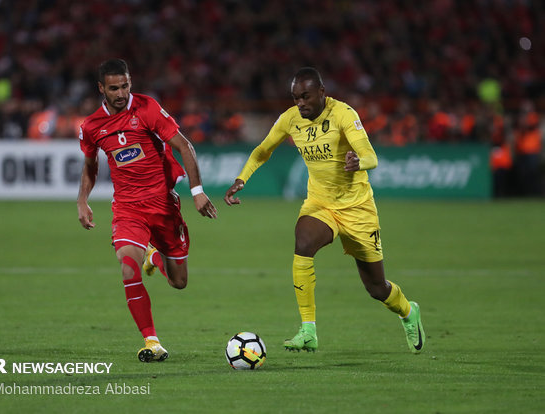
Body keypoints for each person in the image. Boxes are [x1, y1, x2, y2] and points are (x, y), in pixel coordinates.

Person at [224, 67, 425, 354]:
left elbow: (371, 155)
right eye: (296, 98)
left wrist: (360, 163)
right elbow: (262, 150)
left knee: (376, 288)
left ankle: (408, 311)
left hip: (357, 208)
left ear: (322, 92)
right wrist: (242, 178)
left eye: (306, 96)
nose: (300, 103)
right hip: (321, 204)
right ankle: (308, 331)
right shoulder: (290, 120)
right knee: (303, 242)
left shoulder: (344, 114)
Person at [77, 59, 217, 363]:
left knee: (179, 282)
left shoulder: (147, 108)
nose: (121, 93)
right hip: (128, 208)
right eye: (114, 88)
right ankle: (152, 341)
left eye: (125, 85)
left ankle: (155, 257)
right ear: (101, 88)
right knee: (128, 266)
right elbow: (90, 165)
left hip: (163, 205)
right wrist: (82, 200)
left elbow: (185, 146)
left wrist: (197, 192)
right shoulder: (91, 126)